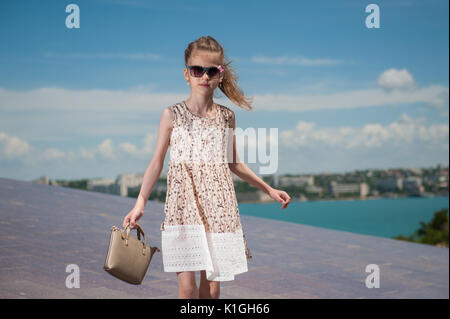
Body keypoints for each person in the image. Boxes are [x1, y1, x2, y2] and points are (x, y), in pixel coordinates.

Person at [123, 35, 291, 299]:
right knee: (187, 289)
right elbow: (157, 162)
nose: (204, 76)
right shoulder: (171, 114)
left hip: (219, 207)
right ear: (186, 74)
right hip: (182, 206)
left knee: (212, 289)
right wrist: (140, 203)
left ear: (220, 75)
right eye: (197, 70)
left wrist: (269, 189)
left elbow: (234, 163)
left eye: (212, 71)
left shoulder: (226, 117)